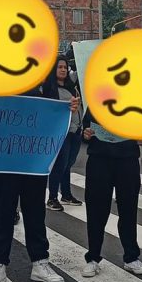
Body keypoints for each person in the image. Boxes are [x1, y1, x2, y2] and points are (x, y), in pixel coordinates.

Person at [0, 68, 78, 282]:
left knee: (35, 213)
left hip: (33, 163)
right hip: (3, 162)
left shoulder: (44, 86)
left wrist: (67, 111)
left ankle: (40, 262)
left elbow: (54, 119)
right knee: (2, 213)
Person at [80, 109, 142, 277]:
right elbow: (86, 130)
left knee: (128, 208)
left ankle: (131, 257)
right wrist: (86, 134)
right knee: (96, 209)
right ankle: (93, 257)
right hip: (99, 158)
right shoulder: (96, 102)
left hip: (128, 159)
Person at [46, 56, 83, 211]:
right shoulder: (49, 89)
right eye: (59, 67)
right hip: (61, 132)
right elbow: (49, 110)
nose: (62, 70)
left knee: (68, 164)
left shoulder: (71, 86)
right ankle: (52, 197)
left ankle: (66, 194)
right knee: (60, 164)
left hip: (76, 130)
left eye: (64, 67)